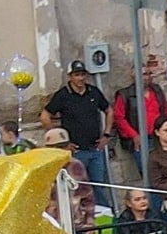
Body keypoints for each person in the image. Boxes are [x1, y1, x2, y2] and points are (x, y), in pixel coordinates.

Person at [41, 59, 113, 210]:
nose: (80, 78)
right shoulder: (63, 95)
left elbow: (108, 110)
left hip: (95, 149)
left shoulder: (93, 92)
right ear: (70, 77)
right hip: (76, 150)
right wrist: (59, 140)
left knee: (98, 187)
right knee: (78, 188)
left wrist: (106, 134)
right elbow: (45, 115)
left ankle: (102, 218)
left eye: (82, 74)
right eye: (76, 75)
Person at [111, 66, 167, 178]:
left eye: (149, 74)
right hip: (141, 139)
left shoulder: (157, 91)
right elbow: (119, 118)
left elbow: (166, 111)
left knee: (166, 170)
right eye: (144, 74)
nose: (148, 77)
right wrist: (134, 135)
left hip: (159, 136)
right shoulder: (125, 95)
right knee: (148, 173)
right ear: (133, 77)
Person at [42, 127, 95, 234]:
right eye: (55, 148)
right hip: (50, 228)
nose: (60, 151)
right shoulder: (41, 169)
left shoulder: (76, 165)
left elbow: (87, 195)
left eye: (63, 146)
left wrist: (89, 222)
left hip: (77, 226)